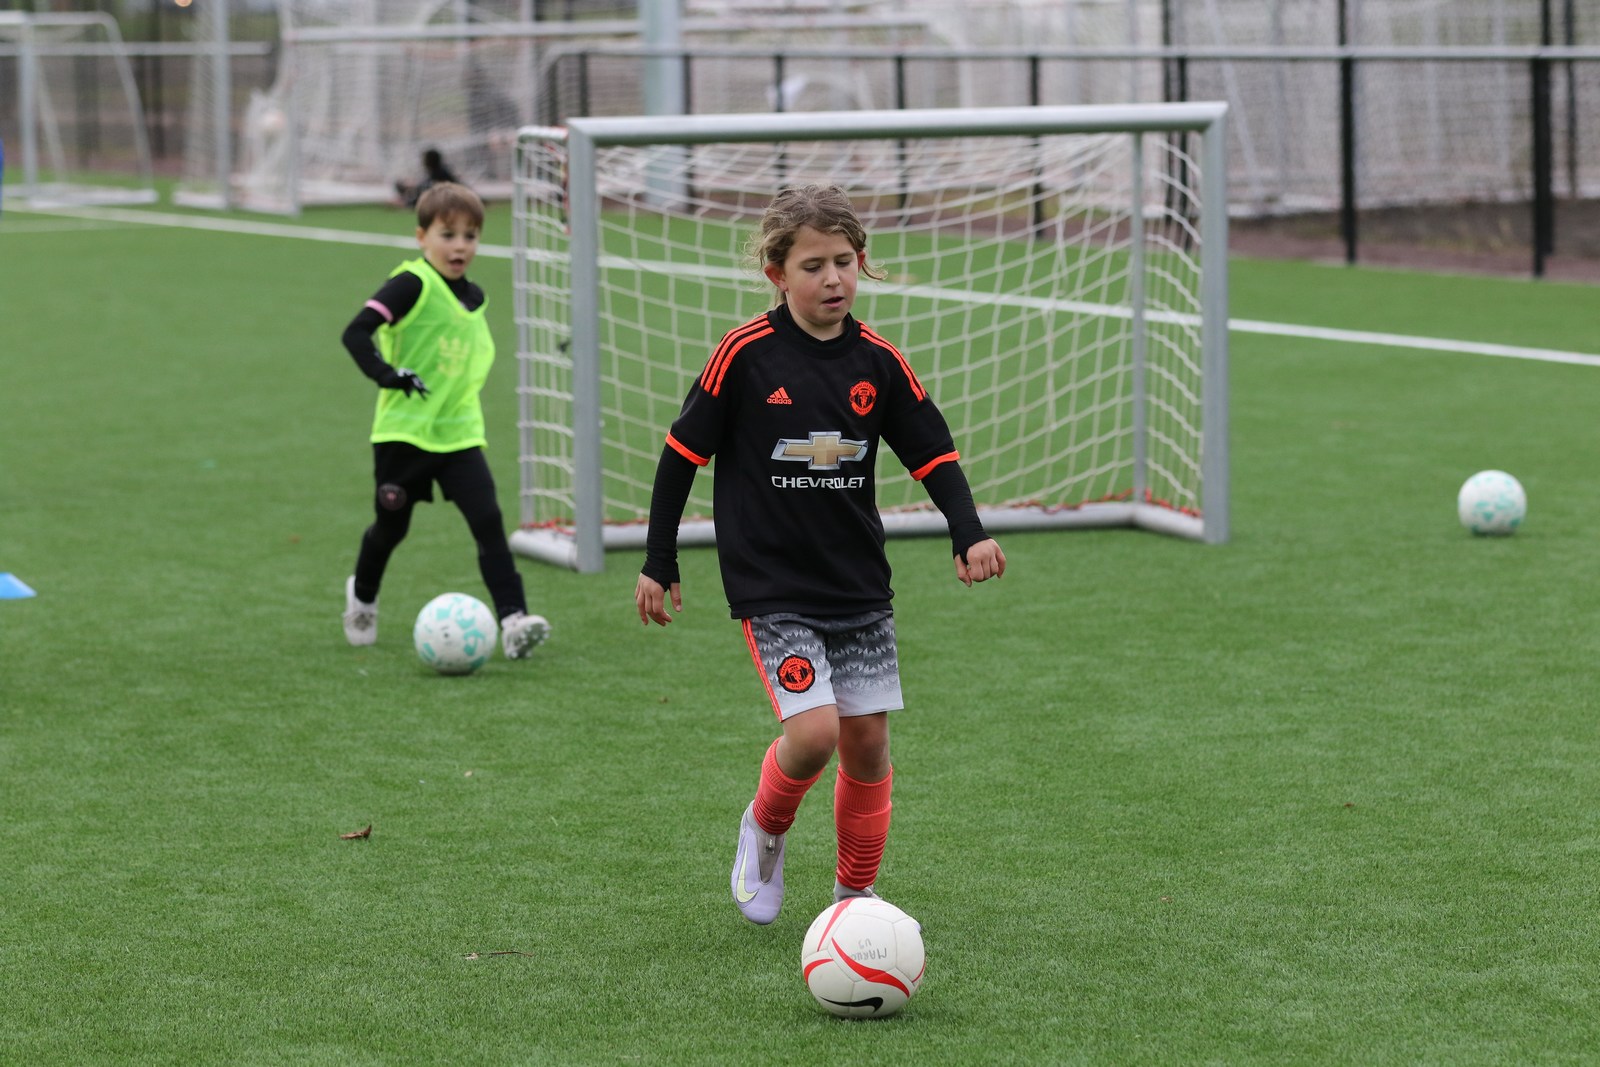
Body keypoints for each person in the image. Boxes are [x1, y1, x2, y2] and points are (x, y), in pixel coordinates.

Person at [634, 183, 1006, 925]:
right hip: (771, 582)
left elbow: (932, 452)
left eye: (844, 261)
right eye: (813, 266)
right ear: (777, 273)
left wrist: (968, 530)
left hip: (856, 581)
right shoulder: (744, 355)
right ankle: (765, 827)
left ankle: (854, 898)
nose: (833, 278)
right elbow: (681, 455)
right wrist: (659, 557)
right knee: (812, 734)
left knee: (866, 743)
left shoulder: (880, 362)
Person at [340, 181, 550, 660]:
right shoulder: (411, 284)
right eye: (448, 234)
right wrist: (388, 375)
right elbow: (356, 333)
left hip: (458, 434)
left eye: (470, 236)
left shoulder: (475, 296)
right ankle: (363, 598)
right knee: (391, 529)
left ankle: (514, 621)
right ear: (422, 237)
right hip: (404, 434)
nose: (460, 246)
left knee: (488, 521)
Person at [394, 147, 460, 208]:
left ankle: (404, 203)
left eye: (425, 159)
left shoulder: (439, 173)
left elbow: (428, 187)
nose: (423, 162)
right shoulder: (437, 172)